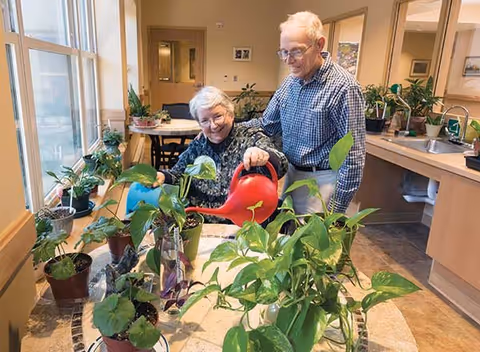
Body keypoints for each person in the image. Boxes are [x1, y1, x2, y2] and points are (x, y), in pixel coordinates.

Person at [247, 11, 366, 215]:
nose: (288, 60)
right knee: (286, 240)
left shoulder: (344, 87)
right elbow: (266, 124)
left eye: (296, 51)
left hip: (322, 184)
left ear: (319, 44)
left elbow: (353, 157)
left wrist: (336, 212)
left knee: (313, 246)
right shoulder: (290, 82)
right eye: (284, 52)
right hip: (292, 175)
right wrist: (224, 128)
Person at [155, 86, 289, 224]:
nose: (213, 126)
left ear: (230, 114)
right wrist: (162, 176)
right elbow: (178, 174)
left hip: (241, 226)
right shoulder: (198, 144)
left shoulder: (249, 136)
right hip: (200, 223)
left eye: (218, 116)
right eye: (205, 120)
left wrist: (263, 155)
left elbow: (281, 164)